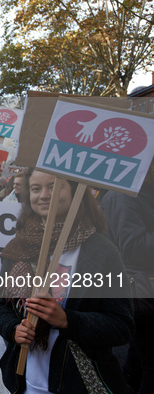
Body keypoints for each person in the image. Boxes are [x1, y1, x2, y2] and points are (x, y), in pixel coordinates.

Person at [0, 168, 133, 393]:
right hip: (25, 382)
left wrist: (68, 320)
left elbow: (121, 326)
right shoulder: (19, 245)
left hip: (80, 383)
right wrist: (13, 329)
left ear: (75, 191)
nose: (45, 195)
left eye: (55, 186)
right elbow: (0, 305)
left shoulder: (102, 251)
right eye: (36, 189)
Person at [101, 159, 154, 393]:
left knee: (137, 365)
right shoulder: (121, 196)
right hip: (139, 294)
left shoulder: (144, 193)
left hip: (145, 292)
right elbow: (133, 250)